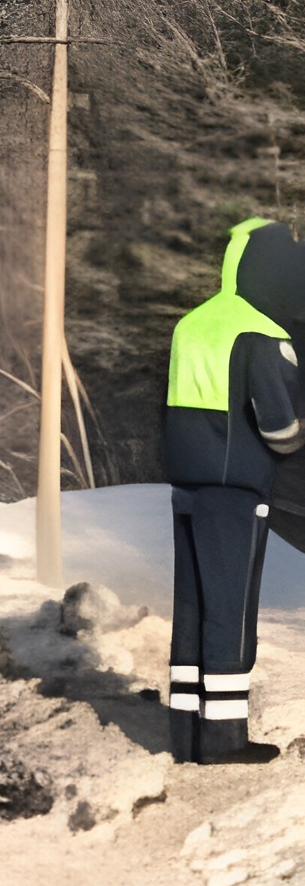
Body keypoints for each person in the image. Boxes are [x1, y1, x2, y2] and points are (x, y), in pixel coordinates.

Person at [164, 217, 305, 764]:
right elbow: (278, 427)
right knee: (231, 608)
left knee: (191, 603)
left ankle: (185, 732)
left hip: (187, 483)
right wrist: (295, 442)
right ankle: (224, 739)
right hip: (236, 488)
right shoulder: (262, 334)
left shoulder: (192, 324)